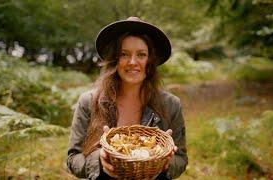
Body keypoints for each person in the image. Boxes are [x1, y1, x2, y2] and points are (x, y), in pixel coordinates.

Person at [67, 17, 187, 180]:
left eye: (141, 55)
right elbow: (72, 159)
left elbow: (181, 159)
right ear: (114, 60)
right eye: (124, 54)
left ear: (150, 60)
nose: (132, 62)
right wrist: (99, 162)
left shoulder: (171, 105)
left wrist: (166, 163)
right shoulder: (88, 101)